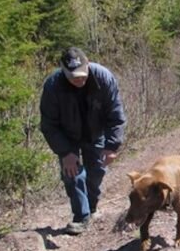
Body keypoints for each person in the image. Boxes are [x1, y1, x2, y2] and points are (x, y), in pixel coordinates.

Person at [40, 47, 126, 235]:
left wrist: (112, 146)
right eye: (73, 77)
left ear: (88, 65)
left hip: (95, 132)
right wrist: (65, 152)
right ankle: (81, 217)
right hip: (67, 136)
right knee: (73, 174)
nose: (79, 80)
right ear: (63, 71)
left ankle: (92, 208)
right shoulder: (53, 86)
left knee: (96, 172)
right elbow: (49, 125)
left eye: (82, 75)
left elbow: (116, 115)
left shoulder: (103, 78)